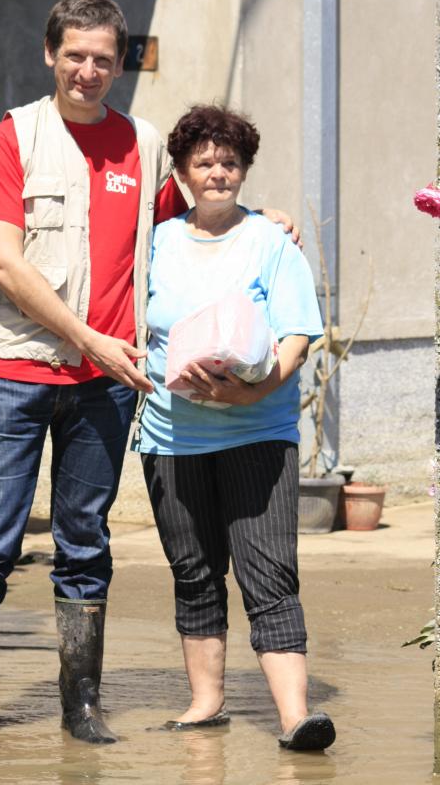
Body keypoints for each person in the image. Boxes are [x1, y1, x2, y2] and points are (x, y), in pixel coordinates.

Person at [0, 0, 298, 753]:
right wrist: (90, 338)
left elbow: (199, 223)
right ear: (49, 54)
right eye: (75, 56)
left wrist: (268, 223)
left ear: (120, 63)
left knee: (86, 539)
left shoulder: (145, 144)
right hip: (17, 369)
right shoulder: (13, 138)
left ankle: (82, 708)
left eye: (103, 58)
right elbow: (2, 261)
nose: (89, 71)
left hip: (104, 385)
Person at [135, 105, 336, 752]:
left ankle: (294, 716)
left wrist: (255, 386)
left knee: (269, 571)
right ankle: (205, 702)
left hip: (257, 431)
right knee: (194, 571)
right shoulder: (156, 242)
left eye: (229, 162)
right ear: (183, 171)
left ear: (245, 168)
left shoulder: (271, 241)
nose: (218, 173)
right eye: (204, 162)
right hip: (172, 435)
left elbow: (299, 333)